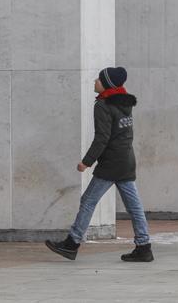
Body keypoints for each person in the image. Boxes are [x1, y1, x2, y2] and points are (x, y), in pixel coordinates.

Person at [45, 66, 153, 262]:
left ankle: (72, 244)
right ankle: (144, 246)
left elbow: (102, 138)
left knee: (88, 201)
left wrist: (86, 162)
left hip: (111, 164)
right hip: (126, 160)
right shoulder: (124, 104)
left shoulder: (103, 106)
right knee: (134, 206)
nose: (95, 81)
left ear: (107, 85)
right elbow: (124, 135)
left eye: (99, 79)